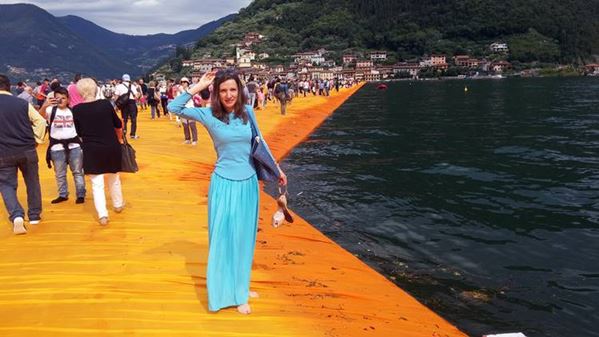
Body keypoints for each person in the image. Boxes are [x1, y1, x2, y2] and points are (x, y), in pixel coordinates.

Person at [168, 69, 287, 314]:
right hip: (223, 184)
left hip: (248, 184)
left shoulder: (248, 113)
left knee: (244, 239)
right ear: (216, 93)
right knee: (223, 240)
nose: (229, 95)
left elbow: (259, 142)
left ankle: (240, 288)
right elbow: (174, 107)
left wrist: (277, 169)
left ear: (239, 90)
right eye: (223, 90)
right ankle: (225, 293)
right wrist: (198, 86)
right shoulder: (209, 114)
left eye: (233, 89)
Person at [73, 78, 125, 226]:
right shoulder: (105, 104)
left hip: (91, 148)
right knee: (114, 177)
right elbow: (117, 123)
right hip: (110, 145)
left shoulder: (76, 110)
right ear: (96, 89)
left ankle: (102, 214)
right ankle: (118, 204)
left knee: (97, 183)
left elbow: (78, 131)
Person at [0, 74, 46, 234]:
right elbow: (40, 121)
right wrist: (37, 140)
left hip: (3, 153)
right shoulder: (22, 103)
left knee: (6, 185)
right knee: (32, 181)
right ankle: (34, 215)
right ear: (9, 86)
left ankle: (17, 215)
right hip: (27, 149)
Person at [39, 87, 86, 204]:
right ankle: (63, 194)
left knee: (78, 171)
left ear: (68, 100)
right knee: (60, 173)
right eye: (57, 98)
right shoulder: (50, 111)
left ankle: (80, 194)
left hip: (74, 145)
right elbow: (39, 117)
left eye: (63, 98)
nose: (60, 101)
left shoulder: (73, 111)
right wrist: (45, 106)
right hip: (57, 147)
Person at [114, 74, 141, 139]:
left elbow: (116, 97)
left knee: (124, 119)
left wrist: (117, 105)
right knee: (133, 119)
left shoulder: (118, 86)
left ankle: (123, 133)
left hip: (123, 104)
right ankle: (133, 134)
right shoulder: (132, 86)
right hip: (132, 103)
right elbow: (136, 96)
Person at [176, 77, 198, 145]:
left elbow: (189, 96)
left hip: (190, 108)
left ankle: (195, 140)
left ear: (187, 83)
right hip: (183, 109)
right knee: (185, 125)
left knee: (192, 124)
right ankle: (187, 139)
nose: (183, 83)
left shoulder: (190, 89)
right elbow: (178, 99)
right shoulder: (179, 91)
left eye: (184, 82)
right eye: (182, 82)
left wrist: (183, 91)